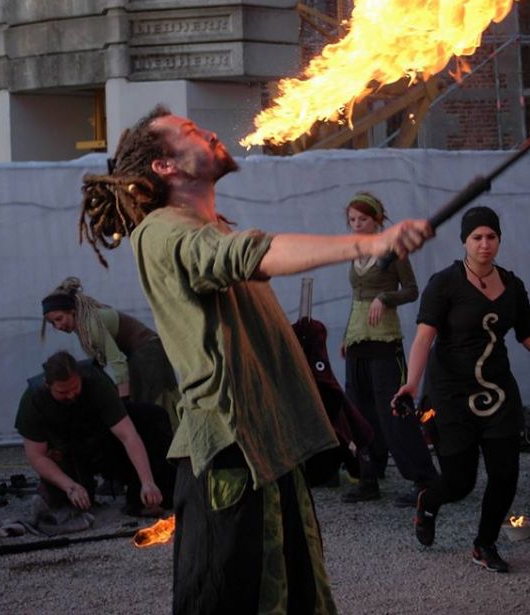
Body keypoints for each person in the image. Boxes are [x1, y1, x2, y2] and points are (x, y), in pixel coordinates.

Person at [78, 105, 432, 615]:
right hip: (233, 456)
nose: (211, 131)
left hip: (269, 449)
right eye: (191, 132)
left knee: (298, 597)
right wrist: (372, 240)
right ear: (165, 166)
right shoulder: (161, 231)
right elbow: (250, 255)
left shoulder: (212, 226)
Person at [394, 206, 530, 573]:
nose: (485, 244)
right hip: (453, 394)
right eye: (477, 238)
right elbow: (424, 338)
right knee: (459, 482)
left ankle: (484, 545)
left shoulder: (513, 286)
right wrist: (411, 382)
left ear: (499, 239)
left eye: (491, 237)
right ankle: (428, 502)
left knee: (505, 475)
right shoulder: (445, 283)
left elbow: (526, 335)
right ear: (465, 242)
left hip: (499, 393)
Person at [341, 192, 438, 505]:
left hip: (384, 339)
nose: (357, 225)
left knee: (394, 408)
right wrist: (347, 334)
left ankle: (423, 479)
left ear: (377, 219)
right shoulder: (354, 250)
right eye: (352, 220)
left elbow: (411, 290)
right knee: (359, 409)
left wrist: (385, 297)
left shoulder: (394, 250)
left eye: (363, 220)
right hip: (358, 338)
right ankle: (369, 477)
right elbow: (356, 297)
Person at [15, 351, 175, 516]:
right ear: (48, 386)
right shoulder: (33, 400)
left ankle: (142, 495)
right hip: (66, 451)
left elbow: (128, 435)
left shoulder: (95, 381)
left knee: (153, 417)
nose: (70, 395)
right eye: (63, 393)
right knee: (74, 505)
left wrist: (147, 482)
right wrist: (70, 487)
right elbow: (36, 456)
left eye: (75, 388)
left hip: (99, 439)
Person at [41, 276, 180, 430]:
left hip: (148, 352)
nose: (58, 325)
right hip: (140, 352)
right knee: (151, 401)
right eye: (53, 323)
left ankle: (172, 444)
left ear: (71, 311)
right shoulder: (82, 326)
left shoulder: (91, 325)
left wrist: (124, 402)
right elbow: (97, 363)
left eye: (59, 319)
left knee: (153, 402)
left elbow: (117, 361)